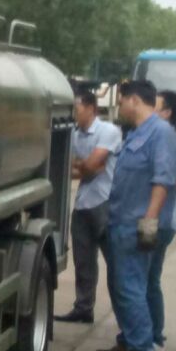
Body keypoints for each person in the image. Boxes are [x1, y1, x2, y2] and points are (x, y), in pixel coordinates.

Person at [95, 78, 176, 351]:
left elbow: (162, 180)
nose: (120, 107)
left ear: (134, 100)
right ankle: (128, 340)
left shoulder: (160, 133)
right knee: (121, 286)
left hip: (136, 223)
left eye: (122, 101)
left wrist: (149, 223)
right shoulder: (137, 133)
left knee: (132, 287)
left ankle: (141, 349)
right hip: (120, 221)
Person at [56, 84, 120, 324]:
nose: (74, 113)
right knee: (83, 261)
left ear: (91, 108)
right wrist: (86, 166)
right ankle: (83, 308)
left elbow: (92, 166)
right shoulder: (73, 134)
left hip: (105, 202)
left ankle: (124, 315)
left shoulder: (108, 131)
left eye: (77, 108)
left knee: (115, 262)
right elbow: (66, 168)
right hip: (83, 203)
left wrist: (82, 165)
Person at [147, 90, 176, 348]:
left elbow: (168, 183)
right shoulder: (160, 139)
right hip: (156, 220)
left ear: (167, 113)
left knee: (148, 278)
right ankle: (150, 332)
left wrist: (147, 224)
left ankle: (153, 334)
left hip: (159, 222)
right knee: (146, 278)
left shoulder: (173, 144)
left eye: (154, 105)